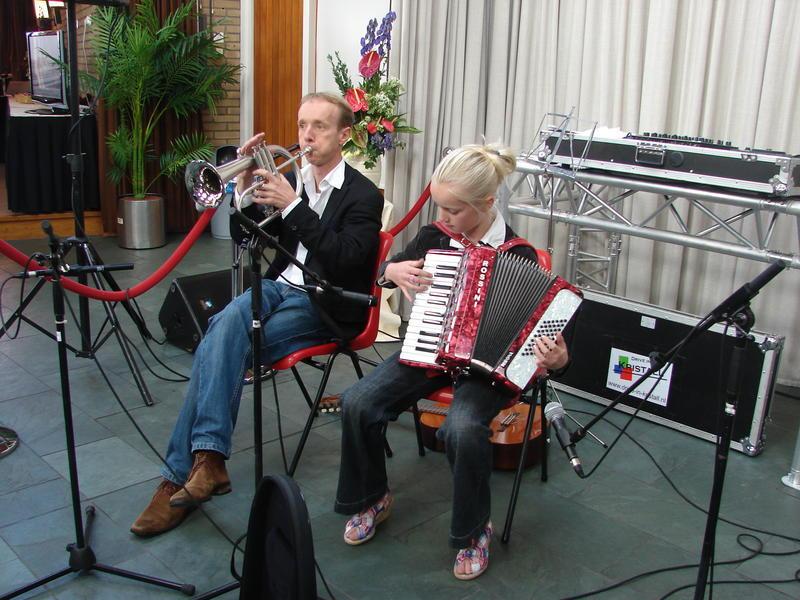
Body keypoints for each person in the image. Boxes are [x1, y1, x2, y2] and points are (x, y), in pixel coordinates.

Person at [131, 92, 384, 537]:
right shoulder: (295, 179)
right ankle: (206, 461)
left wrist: (292, 205)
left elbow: (346, 258)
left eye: (319, 126)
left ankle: (184, 473)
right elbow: (243, 238)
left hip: (323, 302)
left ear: (345, 135)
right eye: (302, 123)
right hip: (276, 285)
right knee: (222, 330)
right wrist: (245, 188)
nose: (306, 135)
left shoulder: (363, 195)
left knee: (218, 341)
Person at [334, 143, 570, 580]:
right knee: (358, 401)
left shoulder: (519, 256)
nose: (442, 219)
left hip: (486, 372)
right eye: (438, 207)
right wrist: (394, 272)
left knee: (460, 427)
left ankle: (473, 531)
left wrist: (557, 360)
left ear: (486, 203)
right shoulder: (435, 236)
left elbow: (551, 351)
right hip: (428, 350)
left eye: (453, 211)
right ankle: (371, 497)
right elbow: (390, 268)